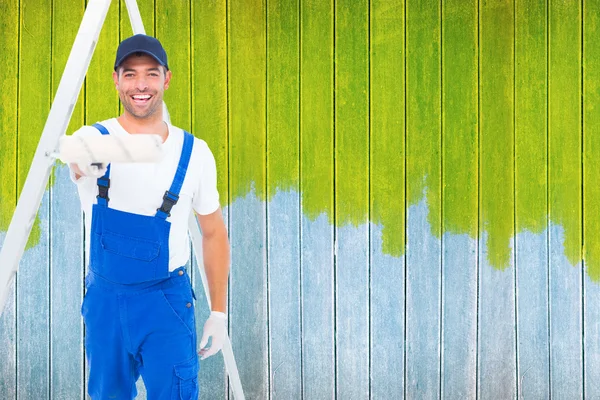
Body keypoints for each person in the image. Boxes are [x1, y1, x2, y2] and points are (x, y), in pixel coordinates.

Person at [69, 34, 230, 399]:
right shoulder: (93, 137)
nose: (140, 85)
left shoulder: (196, 154)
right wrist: (87, 160)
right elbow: (75, 160)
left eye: (150, 74)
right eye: (130, 74)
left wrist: (219, 313)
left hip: (166, 305)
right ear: (116, 80)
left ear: (166, 79)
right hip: (106, 302)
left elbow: (213, 233)